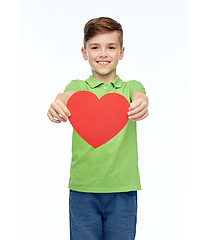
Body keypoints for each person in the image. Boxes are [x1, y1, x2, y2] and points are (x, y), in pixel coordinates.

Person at [47, 16, 149, 240]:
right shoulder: (79, 87)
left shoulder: (130, 87)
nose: (103, 54)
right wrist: (58, 102)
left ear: (121, 53)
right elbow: (66, 96)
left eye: (111, 47)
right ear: (85, 53)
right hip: (83, 190)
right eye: (95, 47)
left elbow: (140, 95)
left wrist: (142, 102)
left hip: (122, 190)